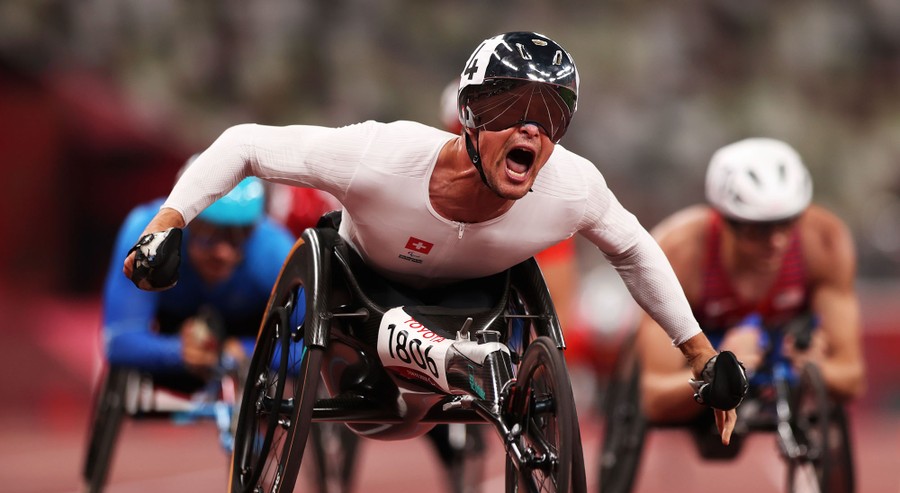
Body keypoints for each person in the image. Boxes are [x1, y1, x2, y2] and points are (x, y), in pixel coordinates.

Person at [123, 31, 746, 444]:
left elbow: (633, 250)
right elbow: (246, 143)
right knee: (394, 332)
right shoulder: (382, 153)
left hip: (473, 315)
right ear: (470, 119)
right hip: (358, 316)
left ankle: (458, 362)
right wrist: (167, 223)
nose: (532, 128)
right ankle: (454, 363)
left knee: (438, 370)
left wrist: (700, 354)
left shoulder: (573, 186)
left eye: (552, 114)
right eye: (509, 111)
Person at [636, 137, 865, 428]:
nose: (778, 241)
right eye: (759, 230)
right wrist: (718, 373)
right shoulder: (679, 252)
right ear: (724, 219)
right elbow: (654, 398)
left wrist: (817, 369)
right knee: (718, 448)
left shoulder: (824, 242)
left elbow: (851, 377)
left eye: (787, 222)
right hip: (705, 346)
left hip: (780, 343)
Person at [104, 175, 295, 397]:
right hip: (173, 331)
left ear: (255, 228)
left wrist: (246, 351)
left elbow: (309, 352)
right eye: (209, 232)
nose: (223, 252)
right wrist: (178, 351)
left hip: (246, 335)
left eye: (239, 235)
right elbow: (118, 342)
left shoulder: (274, 250)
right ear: (185, 224)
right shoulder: (145, 232)